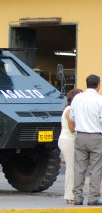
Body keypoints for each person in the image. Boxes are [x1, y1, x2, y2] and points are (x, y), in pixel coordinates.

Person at [70, 74, 102, 206]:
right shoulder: (100, 100)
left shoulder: (77, 98)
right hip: (96, 136)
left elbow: (72, 117)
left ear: (87, 83)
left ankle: (77, 197)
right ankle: (93, 197)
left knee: (79, 168)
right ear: (98, 85)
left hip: (80, 135)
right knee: (96, 168)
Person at [58, 88, 82, 204]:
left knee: (74, 168)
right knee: (71, 168)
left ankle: (72, 193)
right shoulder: (69, 110)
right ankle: (69, 195)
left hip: (71, 140)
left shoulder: (72, 109)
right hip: (68, 140)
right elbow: (72, 129)